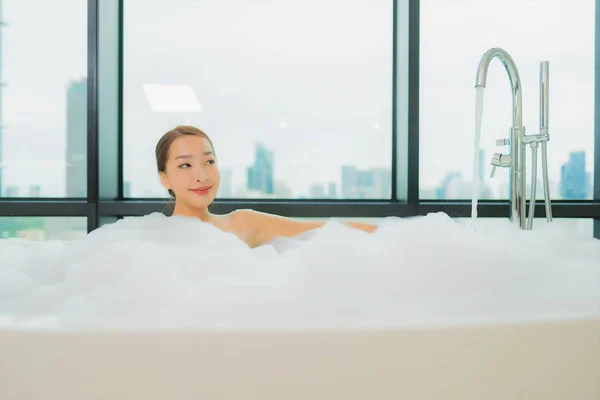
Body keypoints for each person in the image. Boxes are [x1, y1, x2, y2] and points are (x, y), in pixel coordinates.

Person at [156, 125, 377, 248]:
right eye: (185, 165)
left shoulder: (243, 224)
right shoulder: (147, 241)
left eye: (209, 162)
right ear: (164, 178)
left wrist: (396, 236)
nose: (202, 175)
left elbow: (324, 230)